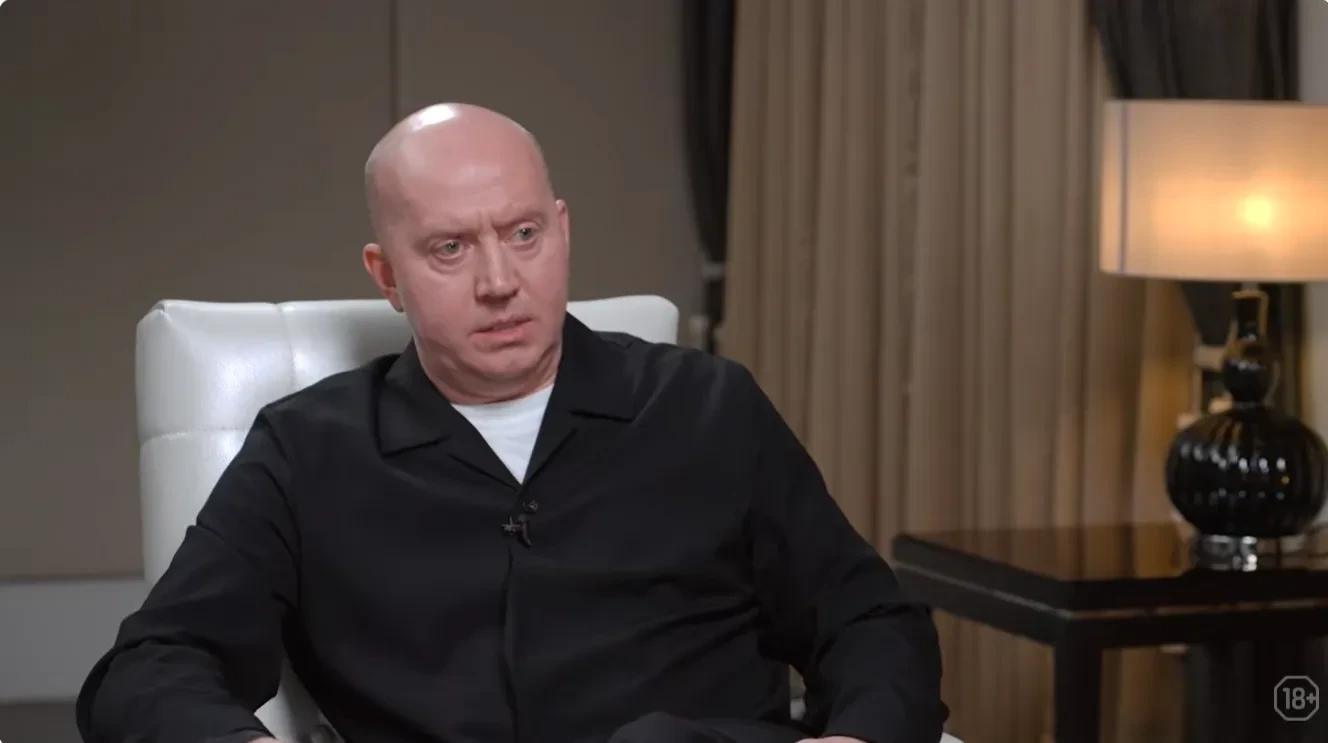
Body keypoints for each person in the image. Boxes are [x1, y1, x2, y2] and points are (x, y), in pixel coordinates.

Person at [75, 104, 947, 743]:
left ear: (562, 231)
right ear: (387, 275)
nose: (499, 281)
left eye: (524, 233)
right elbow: (151, 666)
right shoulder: (308, 449)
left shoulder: (706, 405)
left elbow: (871, 622)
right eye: (450, 248)